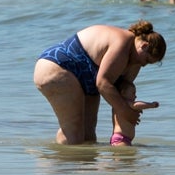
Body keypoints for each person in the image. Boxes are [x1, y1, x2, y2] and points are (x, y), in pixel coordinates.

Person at [33, 21, 167, 145]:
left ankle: (81, 170)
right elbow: (103, 84)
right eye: (147, 60)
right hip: (58, 67)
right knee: (74, 133)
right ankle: (60, 168)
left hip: (85, 78)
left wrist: (122, 129)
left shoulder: (134, 61)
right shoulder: (123, 41)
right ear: (144, 46)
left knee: (89, 135)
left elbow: (121, 93)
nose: (144, 65)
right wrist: (126, 111)